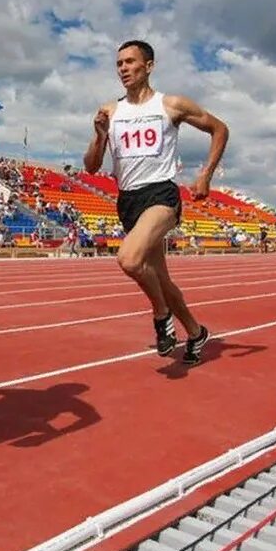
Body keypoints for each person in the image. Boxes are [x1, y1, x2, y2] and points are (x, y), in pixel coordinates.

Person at [83, 40, 228, 366]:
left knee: (130, 260)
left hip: (161, 194)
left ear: (148, 66)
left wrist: (205, 174)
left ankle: (161, 314)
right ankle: (195, 332)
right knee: (160, 278)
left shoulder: (171, 105)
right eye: (119, 63)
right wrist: (99, 135)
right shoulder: (111, 111)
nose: (123, 68)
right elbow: (92, 166)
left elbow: (219, 129)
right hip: (128, 200)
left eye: (130, 62)